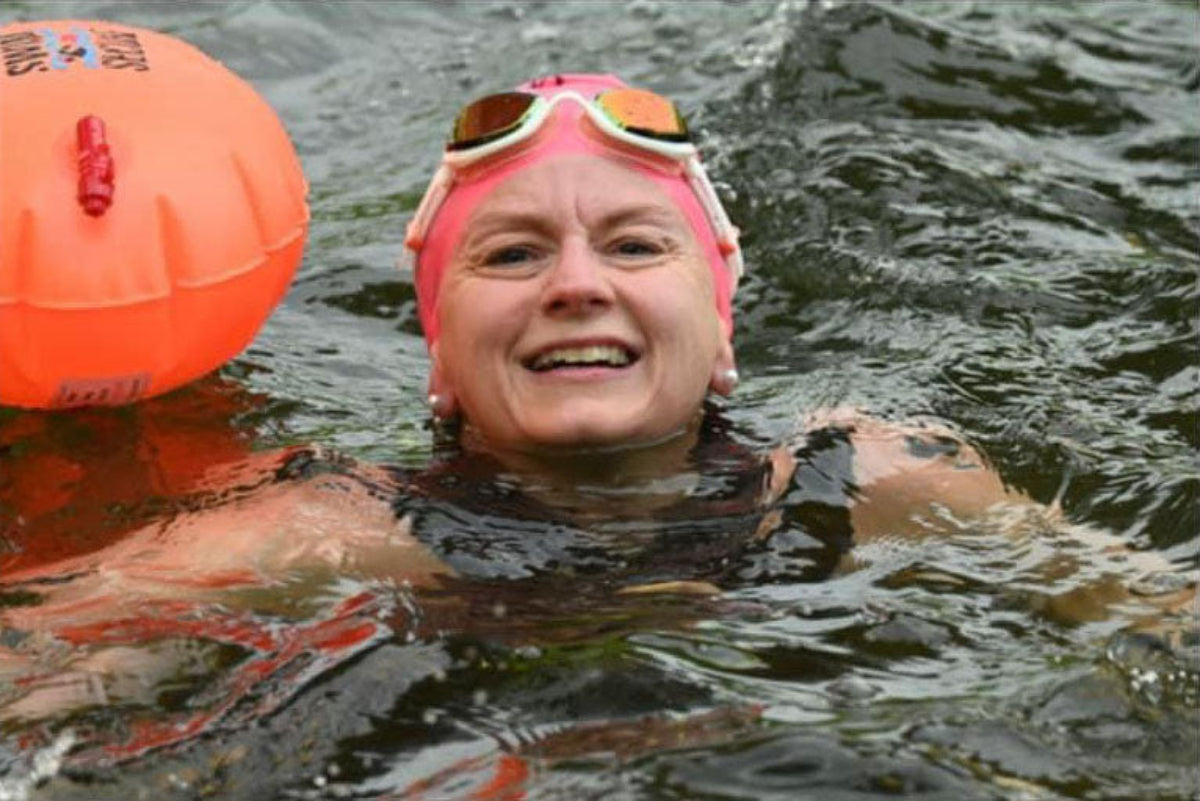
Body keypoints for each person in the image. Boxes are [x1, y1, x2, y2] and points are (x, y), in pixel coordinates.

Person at [0, 74, 1191, 767]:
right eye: (514, 254)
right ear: (443, 366)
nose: (576, 284)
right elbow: (34, 690)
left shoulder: (879, 475)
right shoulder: (324, 525)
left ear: (722, 334)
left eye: (632, 244)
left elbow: (1162, 626)